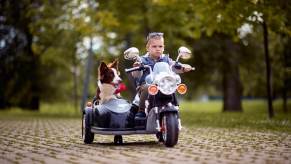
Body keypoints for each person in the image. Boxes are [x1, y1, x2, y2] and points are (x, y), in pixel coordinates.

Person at [132, 32, 192, 118]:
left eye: (160, 46)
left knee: (174, 85)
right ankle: (141, 111)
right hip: (147, 85)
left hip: (164, 85)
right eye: (154, 46)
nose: (158, 49)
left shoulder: (166, 59)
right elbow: (136, 75)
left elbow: (175, 66)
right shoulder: (142, 60)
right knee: (146, 88)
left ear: (163, 48)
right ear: (147, 48)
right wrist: (137, 67)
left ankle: (175, 107)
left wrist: (183, 67)